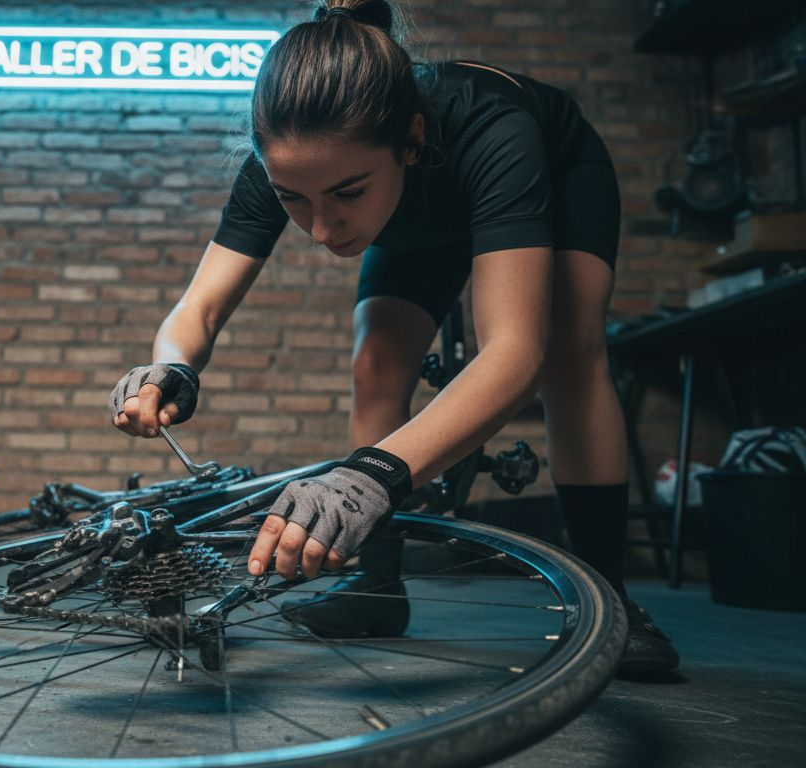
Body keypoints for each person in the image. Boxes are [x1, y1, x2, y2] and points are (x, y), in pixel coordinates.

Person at [108, 0, 678, 678]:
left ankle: (608, 601)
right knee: (376, 362)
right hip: (410, 211)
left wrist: (371, 474)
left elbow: (512, 354)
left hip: (549, 174)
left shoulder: (493, 127)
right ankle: (377, 587)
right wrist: (168, 368)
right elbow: (197, 310)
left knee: (568, 352)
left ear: (409, 137)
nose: (321, 230)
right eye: (295, 199)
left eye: (345, 192)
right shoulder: (291, 157)